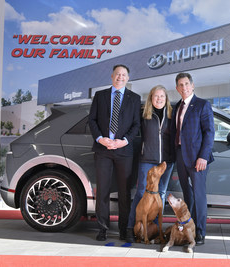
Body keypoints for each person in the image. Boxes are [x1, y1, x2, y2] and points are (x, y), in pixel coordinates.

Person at [88, 64, 141, 241]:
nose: (120, 77)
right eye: (117, 74)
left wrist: (123, 141)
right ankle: (102, 228)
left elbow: (136, 125)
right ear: (112, 76)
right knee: (102, 190)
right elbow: (92, 120)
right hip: (103, 150)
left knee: (124, 193)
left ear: (128, 78)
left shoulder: (134, 98)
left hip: (124, 151)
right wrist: (100, 139)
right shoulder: (100, 96)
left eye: (124, 74)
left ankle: (124, 229)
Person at [125, 85, 175, 243]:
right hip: (147, 159)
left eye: (162, 96)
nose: (159, 99)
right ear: (151, 98)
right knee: (141, 193)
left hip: (166, 161)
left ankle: (152, 230)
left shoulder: (172, 114)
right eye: (156, 96)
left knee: (160, 194)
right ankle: (130, 228)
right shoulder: (143, 113)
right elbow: (130, 127)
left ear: (166, 98)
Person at [171, 72, 215, 245]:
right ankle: (190, 228)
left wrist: (203, 156)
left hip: (197, 158)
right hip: (181, 155)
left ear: (193, 85)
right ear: (177, 88)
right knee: (187, 195)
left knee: (199, 195)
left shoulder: (202, 105)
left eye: (187, 84)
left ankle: (201, 232)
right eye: (181, 85)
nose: (184, 88)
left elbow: (209, 132)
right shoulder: (177, 107)